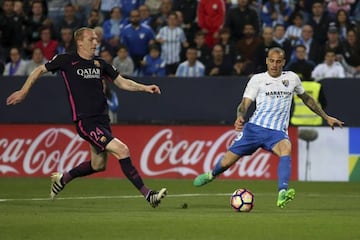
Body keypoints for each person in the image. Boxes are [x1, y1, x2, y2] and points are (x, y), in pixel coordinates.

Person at [6, 27, 167, 208]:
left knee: (98, 165)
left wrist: (145, 87)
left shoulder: (100, 63)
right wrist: (23, 92)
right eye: (91, 39)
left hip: (102, 120)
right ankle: (148, 195)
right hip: (85, 121)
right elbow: (38, 70)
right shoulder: (66, 60)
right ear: (80, 42)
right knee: (122, 150)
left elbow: (122, 82)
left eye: (96, 40)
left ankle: (62, 179)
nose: (95, 43)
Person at [193, 47, 344, 208]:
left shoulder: (292, 78)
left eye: (278, 62)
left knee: (286, 148)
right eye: (271, 61)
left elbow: (307, 99)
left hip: (277, 133)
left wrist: (326, 117)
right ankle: (212, 174)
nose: (274, 65)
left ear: (283, 62)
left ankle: (282, 193)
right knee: (226, 163)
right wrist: (239, 116)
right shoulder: (257, 79)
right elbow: (244, 104)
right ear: (267, 61)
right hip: (254, 129)